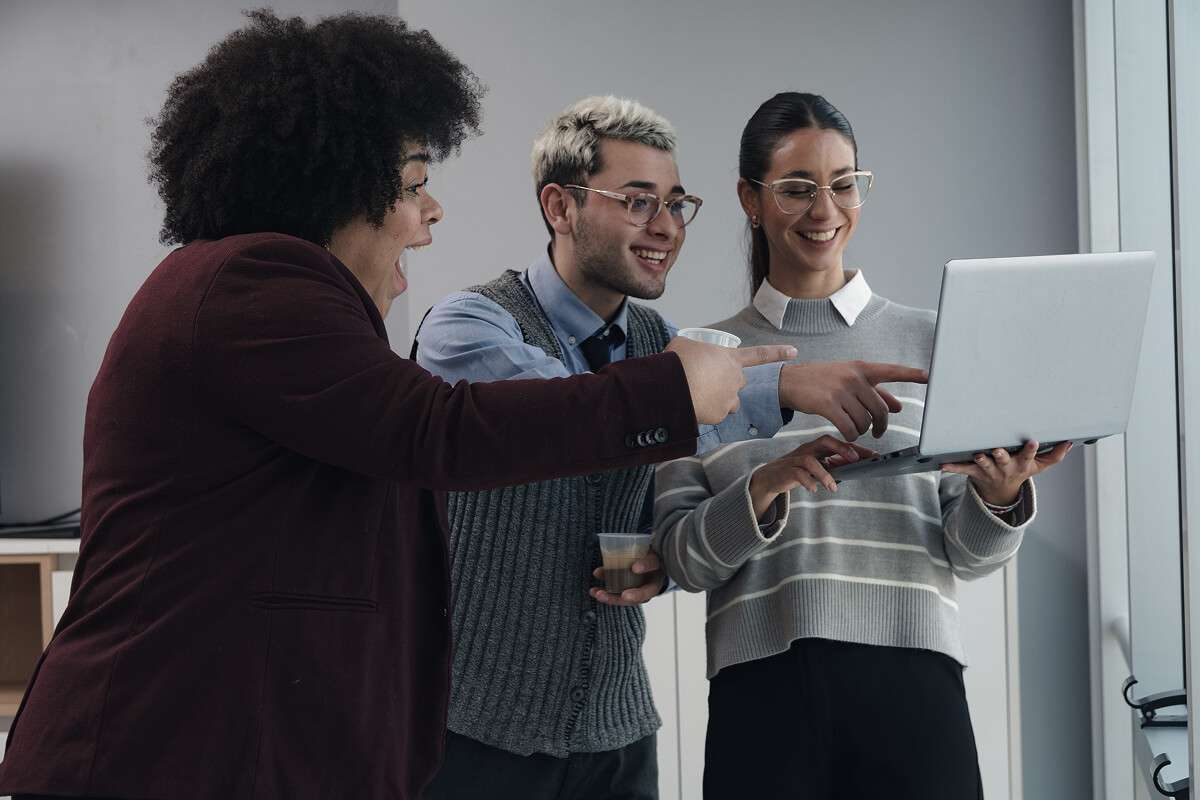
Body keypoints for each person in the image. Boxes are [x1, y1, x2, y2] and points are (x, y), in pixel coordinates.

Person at [0, 14, 798, 800]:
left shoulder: (253, 290)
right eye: (415, 185)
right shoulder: (257, 287)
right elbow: (441, 431)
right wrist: (671, 389)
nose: (432, 212)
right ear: (334, 185)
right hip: (165, 751)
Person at [414, 95, 926, 800]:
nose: (665, 227)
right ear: (560, 207)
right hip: (471, 731)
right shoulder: (470, 326)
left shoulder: (669, 348)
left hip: (616, 740)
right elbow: (565, 415)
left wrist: (665, 564)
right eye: (637, 202)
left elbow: (672, 517)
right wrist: (781, 384)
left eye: (677, 204)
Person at [652, 92, 1073, 799]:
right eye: (797, 188)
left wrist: (1000, 498)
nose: (825, 210)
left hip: (915, 687)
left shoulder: (935, 341)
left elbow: (969, 554)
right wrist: (767, 484)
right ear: (750, 200)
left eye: (843, 184)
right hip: (761, 698)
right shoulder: (699, 360)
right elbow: (681, 559)